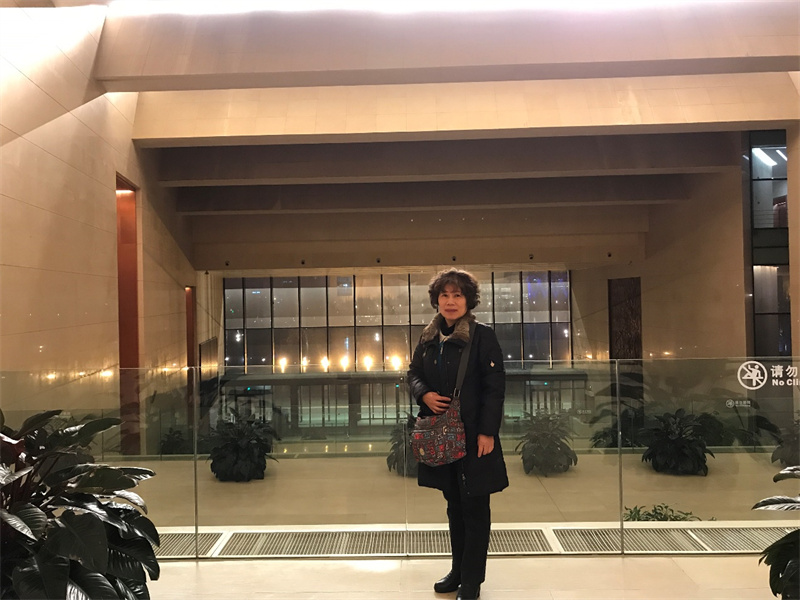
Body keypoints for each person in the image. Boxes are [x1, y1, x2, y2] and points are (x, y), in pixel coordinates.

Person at [407, 268, 509, 600]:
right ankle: (457, 571)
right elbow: (413, 373)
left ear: (469, 300)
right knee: (454, 504)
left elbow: (495, 388)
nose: (450, 301)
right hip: (442, 436)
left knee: (475, 506)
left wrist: (487, 432)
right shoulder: (428, 337)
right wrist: (423, 393)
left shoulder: (482, 336)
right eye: (445, 295)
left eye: (458, 295)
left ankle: (472, 580)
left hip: (474, 435)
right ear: (436, 300)